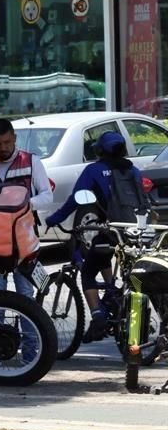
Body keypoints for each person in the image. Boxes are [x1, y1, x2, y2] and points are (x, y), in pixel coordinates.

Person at [45, 131, 146, 342]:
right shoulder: (133, 170)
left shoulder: (94, 170)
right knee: (111, 259)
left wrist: (54, 218)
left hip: (110, 231)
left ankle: (97, 316)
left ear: (99, 150)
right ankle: (112, 292)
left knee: (89, 270)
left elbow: (76, 199)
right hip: (138, 233)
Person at [0, 118, 53, 298]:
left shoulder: (31, 161)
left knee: (25, 292)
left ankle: (28, 327)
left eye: (7, 142)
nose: (3, 148)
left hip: (24, 238)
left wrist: (24, 205)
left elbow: (47, 196)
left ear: (15, 138)